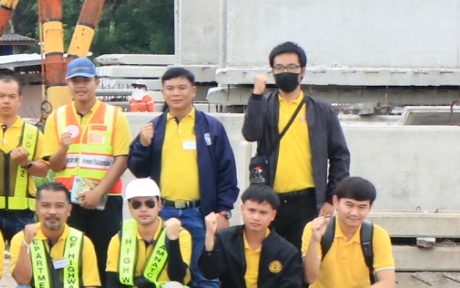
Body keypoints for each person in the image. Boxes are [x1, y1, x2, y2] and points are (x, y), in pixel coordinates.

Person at [243, 41, 350, 253]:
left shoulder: (321, 110)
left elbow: (340, 155)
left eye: (292, 67)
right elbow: (251, 134)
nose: (285, 72)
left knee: (304, 257)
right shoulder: (265, 105)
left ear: (302, 71)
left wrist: (331, 197)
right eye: (279, 68)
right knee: (267, 256)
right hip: (270, 200)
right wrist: (256, 96)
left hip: (307, 201)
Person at [127, 66, 238, 248]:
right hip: (163, 213)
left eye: (182, 88)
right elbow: (139, 171)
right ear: (163, 93)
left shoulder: (211, 127)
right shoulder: (154, 127)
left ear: (193, 91)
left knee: (202, 264)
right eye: (170, 88)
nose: (176, 93)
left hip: (201, 213)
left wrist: (223, 211)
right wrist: (143, 146)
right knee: (165, 264)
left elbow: (227, 171)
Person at [37, 56, 131, 255]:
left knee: (106, 259)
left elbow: (122, 160)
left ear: (97, 82)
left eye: (86, 80)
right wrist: (63, 149)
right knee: (71, 258)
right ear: (68, 83)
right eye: (75, 81)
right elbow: (55, 166)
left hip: (106, 199)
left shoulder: (115, 116)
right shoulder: (56, 117)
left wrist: (98, 192)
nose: (80, 86)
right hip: (68, 200)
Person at [0, 74, 43, 249]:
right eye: (1, 96)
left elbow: (44, 170)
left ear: (20, 100)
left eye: (12, 96)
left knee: (27, 260)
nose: (6, 101)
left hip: (22, 214)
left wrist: (26, 163)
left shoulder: (33, 133)